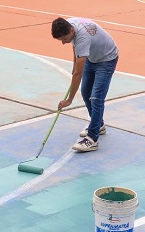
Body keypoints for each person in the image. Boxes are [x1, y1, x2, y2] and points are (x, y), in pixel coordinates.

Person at [51, 17, 119, 152]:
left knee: (96, 97)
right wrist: (75, 64)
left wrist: (69, 100)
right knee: (86, 92)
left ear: (71, 30)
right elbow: (75, 47)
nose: (64, 43)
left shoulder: (83, 38)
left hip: (106, 59)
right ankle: (98, 125)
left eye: (64, 39)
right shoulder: (69, 24)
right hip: (92, 58)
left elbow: (78, 74)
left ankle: (92, 139)